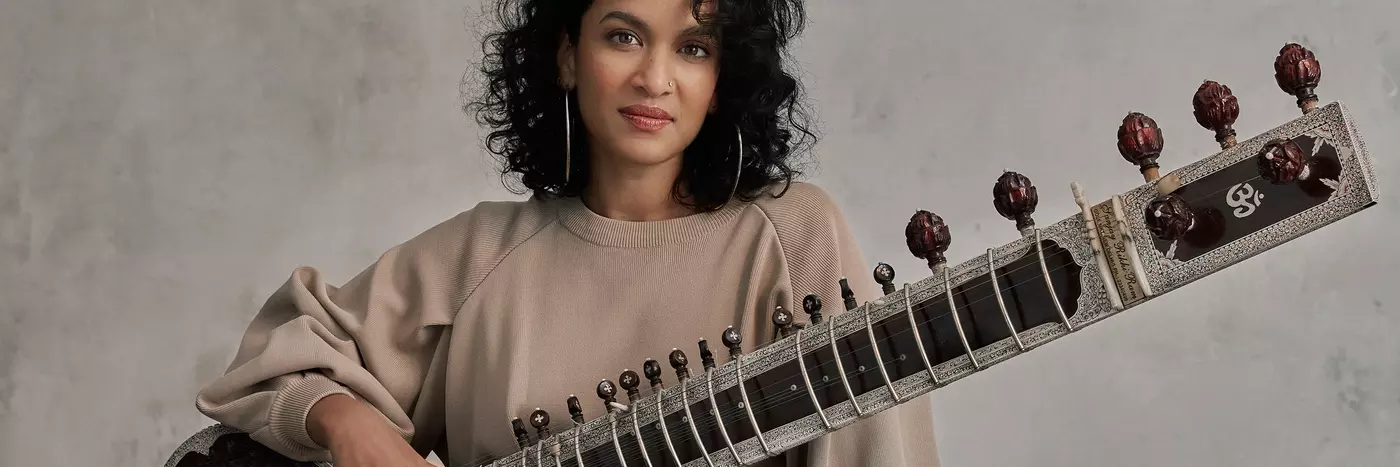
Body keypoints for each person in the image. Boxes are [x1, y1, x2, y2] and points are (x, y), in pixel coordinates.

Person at [194, 0, 940, 465]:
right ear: (566, 56)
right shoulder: (480, 256)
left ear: (723, 80)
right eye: (623, 36)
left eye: (692, 47)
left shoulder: (790, 236)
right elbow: (274, 357)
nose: (655, 78)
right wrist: (344, 419)